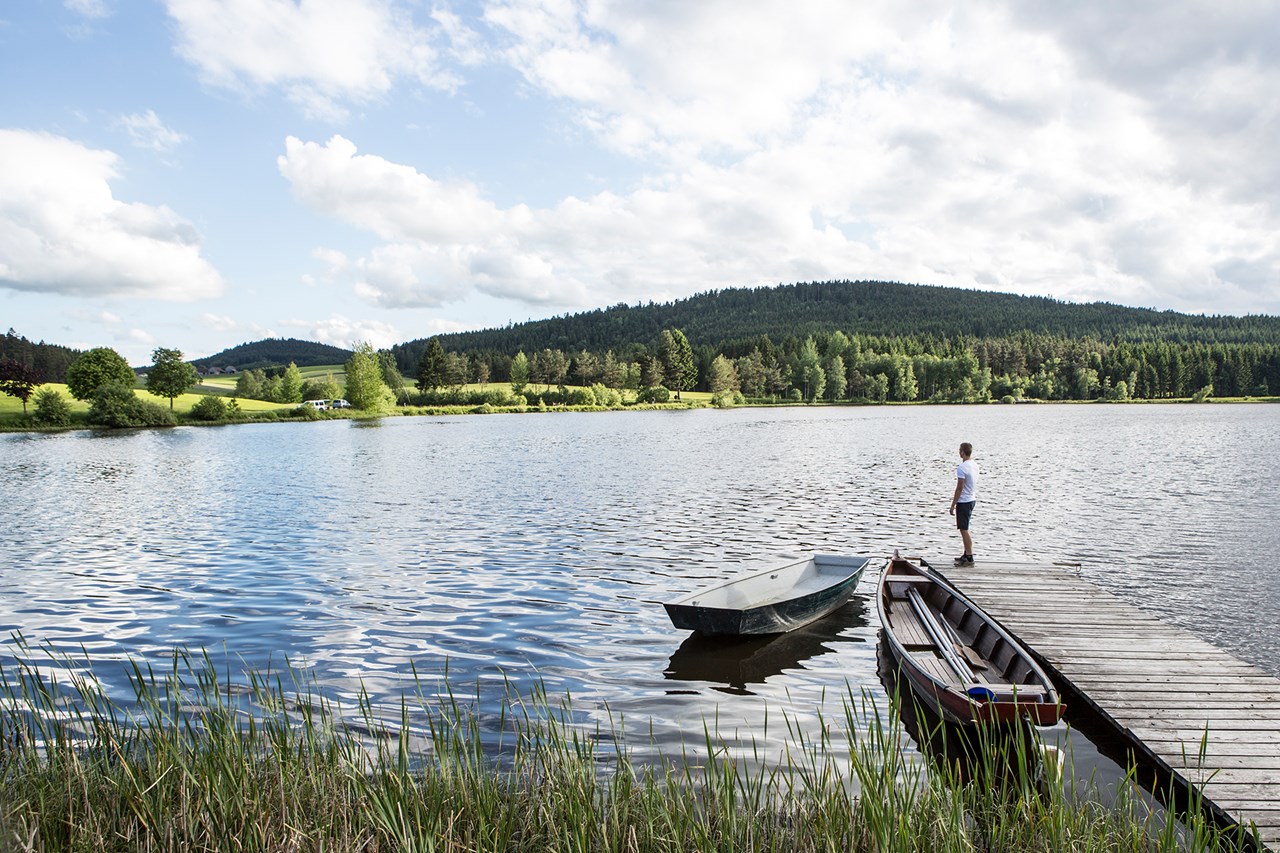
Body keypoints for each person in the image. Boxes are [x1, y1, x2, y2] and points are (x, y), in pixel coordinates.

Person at [949, 442, 978, 566]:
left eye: (959, 450)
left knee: (964, 530)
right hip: (972, 499)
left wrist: (953, 504)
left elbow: (959, 487)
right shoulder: (974, 465)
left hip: (964, 501)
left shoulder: (962, 467)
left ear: (962, 452)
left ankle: (970, 557)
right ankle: (966, 554)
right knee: (964, 528)